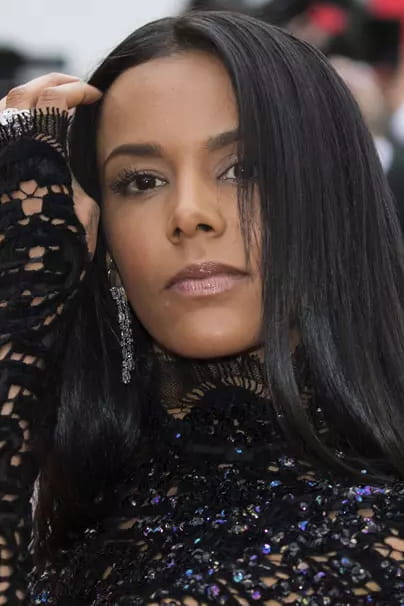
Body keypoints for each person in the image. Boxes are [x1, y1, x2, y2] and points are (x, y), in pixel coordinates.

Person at [0, 10, 403, 605]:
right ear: (100, 240)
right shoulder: (70, 508)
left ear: (332, 198)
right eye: (141, 181)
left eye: (243, 169)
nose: (190, 214)